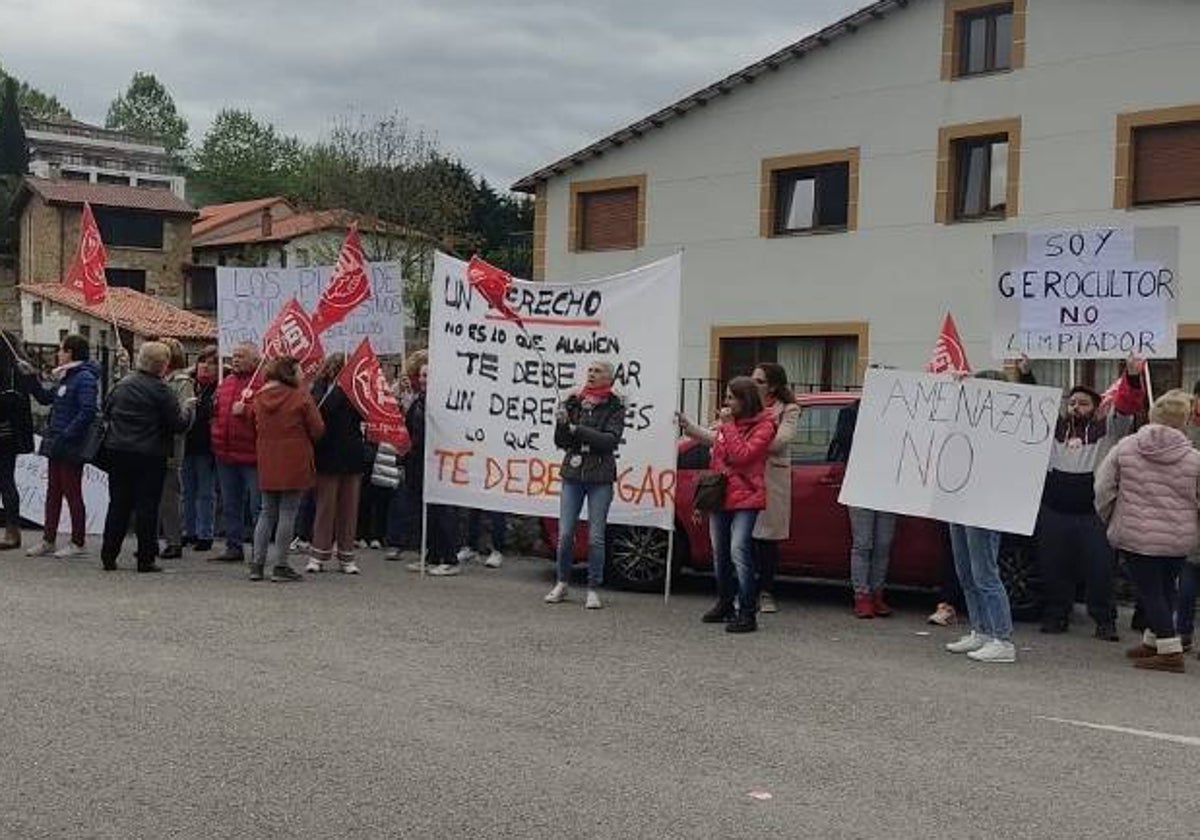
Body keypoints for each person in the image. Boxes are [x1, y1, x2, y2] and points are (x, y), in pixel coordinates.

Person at [1018, 354, 1145, 641]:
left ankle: (1104, 621)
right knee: (1053, 567)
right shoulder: (1053, 428)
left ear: (1096, 408)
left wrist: (1133, 375)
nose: (1076, 407)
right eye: (1072, 402)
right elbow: (1032, 403)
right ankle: (1056, 614)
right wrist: (1026, 374)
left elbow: (1127, 405)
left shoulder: (1109, 430)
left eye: (1083, 403)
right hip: (1054, 511)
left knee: (1100, 571)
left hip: (1094, 515)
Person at [1095, 389, 1200, 674]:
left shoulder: (1126, 447)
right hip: (1179, 537)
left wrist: (1110, 517)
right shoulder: (1194, 458)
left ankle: (1169, 650)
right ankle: (1154, 641)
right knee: (1166, 589)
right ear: (1184, 421)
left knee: (1150, 591)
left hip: (1136, 532)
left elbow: (1103, 486)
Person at [680, 376, 776, 633]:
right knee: (719, 551)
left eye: (732, 397)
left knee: (738, 549)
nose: (726, 402)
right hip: (722, 495)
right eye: (726, 397)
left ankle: (747, 610)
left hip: (747, 495)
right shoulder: (727, 426)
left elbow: (742, 456)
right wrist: (702, 502)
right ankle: (725, 601)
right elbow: (717, 464)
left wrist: (728, 426)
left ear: (745, 400)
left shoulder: (764, 426)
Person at [99, 342, 195, 572]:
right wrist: (189, 409)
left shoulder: (122, 385)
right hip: (150, 454)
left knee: (118, 504)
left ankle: (109, 554)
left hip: (118, 450)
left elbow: (106, 409)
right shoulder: (162, 390)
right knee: (147, 506)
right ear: (163, 365)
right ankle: (145, 557)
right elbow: (178, 425)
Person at [944, 370, 1017, 664]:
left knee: (985, 573)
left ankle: (1003, 638)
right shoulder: (967, 419)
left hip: (986, 506)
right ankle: (981, 630)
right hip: (959, 500)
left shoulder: (1006, 424)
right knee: (965, 572)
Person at [545, 360, 626, 609]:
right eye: (590, 370)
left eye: (597, 371)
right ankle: (562, 582)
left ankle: (593, 587)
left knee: (596, 536)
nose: (591, 374)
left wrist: (576, 428)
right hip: (573, 474)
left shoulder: (615, 406)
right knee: (566, 533)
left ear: (608, 379)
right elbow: (562, 442)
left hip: (600, 476)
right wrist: (561, 423)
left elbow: (610, 441)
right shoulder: (574, 401)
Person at [249, 356, 325, 582]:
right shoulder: (300, 396)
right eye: (299, 370)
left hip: (267, 457)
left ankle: (257, 563)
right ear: (289, 372)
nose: (302, 374)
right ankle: (281, 565)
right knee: (288, 512)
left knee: (266, 512)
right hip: (295, 458)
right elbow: (318, 428)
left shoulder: (259, 396)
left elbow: (253, 426)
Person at [25, 334, 100, 559]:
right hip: (57, 441)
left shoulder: (84, 378)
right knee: (53, 491)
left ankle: (78, 541)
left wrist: (67, 434)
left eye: (62, 350)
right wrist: (31, 378)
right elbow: (47, 398)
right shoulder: (66, 377)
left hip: (70, 443)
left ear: (71, 353)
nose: (58, 354)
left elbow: (87, 411)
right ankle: (48, 539)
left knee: (72, 491)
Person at [827, 399, 898, 619]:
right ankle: (862, 595)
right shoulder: (851, 411)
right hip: (860, 481)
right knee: (863, 542)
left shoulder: (898, 410)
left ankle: (877, 592)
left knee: (883, 542)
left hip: (888, 483)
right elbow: (843, 441)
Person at [308, 353, 366, 575]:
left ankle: (346, 556)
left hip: (351, 454)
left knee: (349, 508)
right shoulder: (320, 388)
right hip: (327, 454)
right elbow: (324, 409)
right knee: (325, 507)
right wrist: (340, 389)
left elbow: (365, 415)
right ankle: (318, 554)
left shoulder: (359, 390)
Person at [748, 364, 799, 613]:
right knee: (744, 537)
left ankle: (766, 591)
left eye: (758, 381)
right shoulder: (744, 406)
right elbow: (720, 435)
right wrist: (689, 427)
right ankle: (746, 589)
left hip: (771, 479)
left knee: (767, 539)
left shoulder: (788, 409)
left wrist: (749, 444)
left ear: (773, 386)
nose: (752, 383)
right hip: (745, 479)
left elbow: (782, 440)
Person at [212, 342, 262, 563]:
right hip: (226, 453)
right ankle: (234, 546)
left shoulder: (262, 383)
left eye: (241, 356)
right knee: (230, 503)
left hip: (252, 455)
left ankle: (258, 550)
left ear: (254, 360)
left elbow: (268, 414)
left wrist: (248, 411)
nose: (236, 359)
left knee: (257, 505)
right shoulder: (226, 383)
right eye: (234, 355)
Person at [156, 338, 196, 559]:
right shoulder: (155, 379)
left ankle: (174, 540)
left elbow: (187, 418)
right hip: (151, 444)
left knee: (169, 496)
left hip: (171, 445)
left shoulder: (182, 382)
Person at [0, 331, 35, 550]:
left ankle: (13, 530)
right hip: (11, 434)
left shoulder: (14, 372)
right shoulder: (21, 369)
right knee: (6, 480)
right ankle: (12, 529)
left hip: (5, 433)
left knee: (5, 481)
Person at [182, 346, 218, 552]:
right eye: (202, 361)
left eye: (211, 363)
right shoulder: (188, 384)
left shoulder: (218, 387)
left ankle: (205, 533)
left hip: (207, 447)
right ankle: (189, 530)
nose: (205, 366)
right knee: (187, 491)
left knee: (206, 492)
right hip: (187, 444)